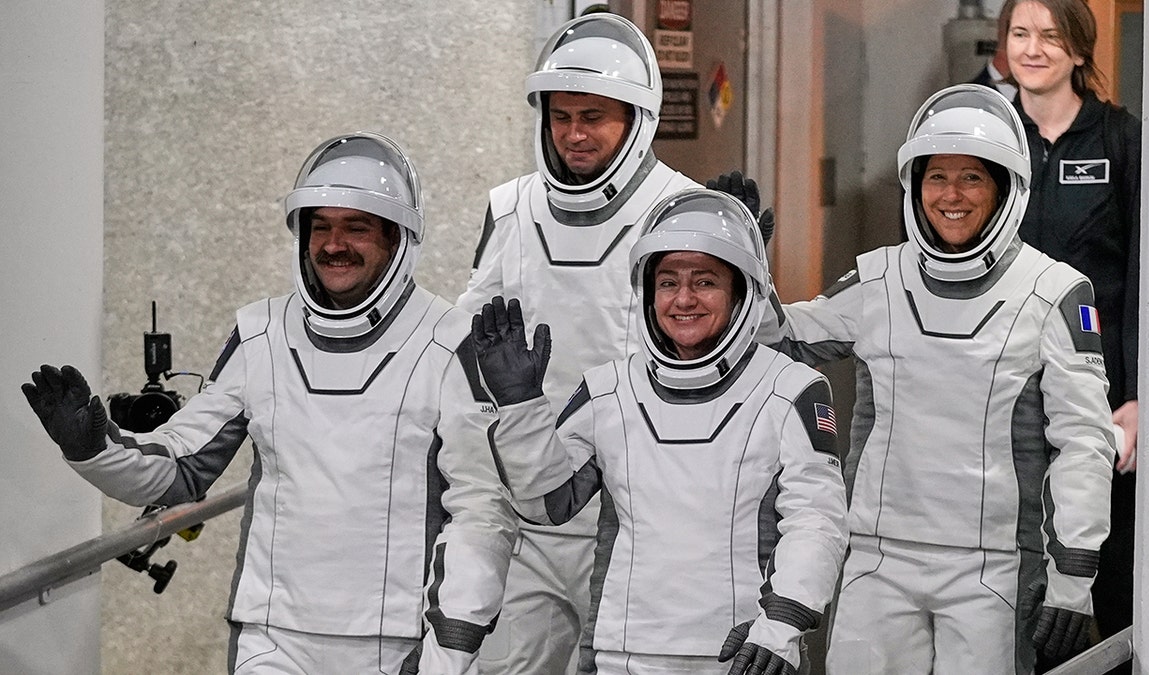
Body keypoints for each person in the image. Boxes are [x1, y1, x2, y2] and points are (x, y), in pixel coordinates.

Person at [21, 132, 517, 674]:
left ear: (398, 239)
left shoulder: (451, 340)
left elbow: (482, 512)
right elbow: (182, 467)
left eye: (356, 226)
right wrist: (93, 449)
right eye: (320, 226)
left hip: (399, 642)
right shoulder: (260, 332)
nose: (333, 244)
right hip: (271, 639)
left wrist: (450, 647)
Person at [764, 85, 1115, 673]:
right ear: (914, 187)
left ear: (1006, 187)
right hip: (877, 561)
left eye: (972, 178)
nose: (951, 196)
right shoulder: (879, 277)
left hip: (994, 569)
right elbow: (782, 334)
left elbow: (1084, 442)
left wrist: (1073, 574)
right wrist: (738, 257)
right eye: (936, 178)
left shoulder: (1053, 291)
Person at [472, 188, 848, 675]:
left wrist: (782, 622)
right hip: (622, 653)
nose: (683, 299)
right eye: (667, 282)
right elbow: (546, 503)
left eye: (706, 282)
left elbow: (816, 520)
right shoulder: (609, 388)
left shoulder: (791, 388)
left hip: (743, 652)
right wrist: (521, 406)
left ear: (742, 291)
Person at [455, 13, 705, 674]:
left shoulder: (684, 208)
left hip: (642, 522)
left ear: (636, 118)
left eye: (593, 115)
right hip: (532, 511)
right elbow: (460, 341)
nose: (574, 133)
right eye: (561, 116)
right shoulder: (511, 208)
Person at [1000, 1, 1141, 658]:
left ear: (1079, 51)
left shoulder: (1120, 139)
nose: (1033, 49)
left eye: (1050, 37)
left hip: (1103, 398)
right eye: (1021, 34)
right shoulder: (989, 135)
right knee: (1017, 590)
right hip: (1009, 401)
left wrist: (1139, 396)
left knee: (1111, 586)